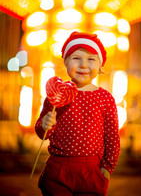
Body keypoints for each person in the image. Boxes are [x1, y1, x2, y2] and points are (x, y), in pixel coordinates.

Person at [35, 31, 120, 196]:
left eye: (91, 59)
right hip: (58, 167)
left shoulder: (105, 98)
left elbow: (111, 136)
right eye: (76, 58)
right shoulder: (56, 94)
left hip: (91, 169)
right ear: (65, 62)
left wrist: (107, 167)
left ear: (100, 65)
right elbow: (42, 132)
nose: (83, 65)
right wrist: (45, 124)